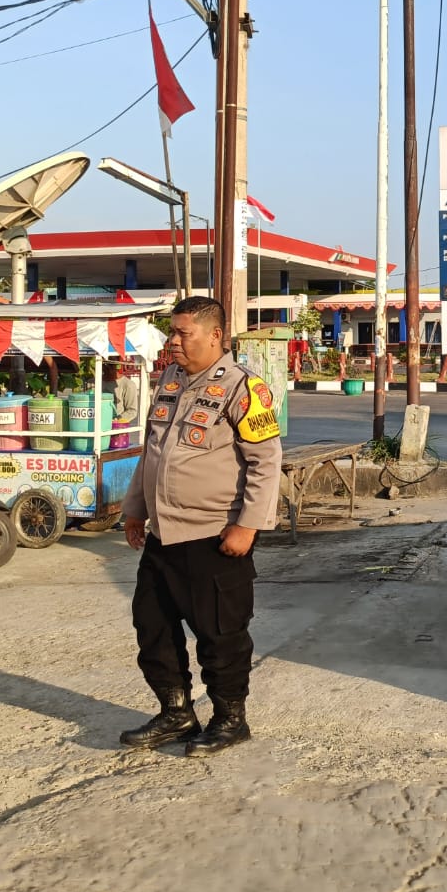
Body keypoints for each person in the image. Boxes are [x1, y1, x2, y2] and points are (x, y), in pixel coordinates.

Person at [120, 296, 284, 757]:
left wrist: (247, 527)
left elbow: (266, 462)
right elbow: (151, 452)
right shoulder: (169, 380)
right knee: (152, 626)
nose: (173, 341)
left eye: (182, 333)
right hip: (163, 534)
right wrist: (135, 509)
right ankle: (176, 712)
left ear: (215, 335)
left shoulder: (242, 388)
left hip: (214, 536)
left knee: (220, 635)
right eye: (171, 332)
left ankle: (230, 719)